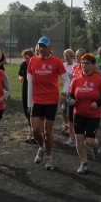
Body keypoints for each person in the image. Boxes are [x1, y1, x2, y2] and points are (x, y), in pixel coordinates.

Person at [27, 36, 70, 171]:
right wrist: (29, 103)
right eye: (40, 46)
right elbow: (30, 84)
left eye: (44, 46)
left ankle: (49, 159)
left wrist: (64, 93)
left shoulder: (56, 62)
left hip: (51, 100)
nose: (41, 48)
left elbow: (67, 80)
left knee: (48, 131)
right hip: (37, 100)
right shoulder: (33, 61)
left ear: (50, 47)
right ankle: (41, 148)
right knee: (35, 130)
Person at [68, 53, 101, 174]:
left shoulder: (98, 80)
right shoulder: (76, 79)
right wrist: (71, 100)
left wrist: (98, 103)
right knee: (79, 139)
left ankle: (96, 147)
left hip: (93, 114)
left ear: (93, 65)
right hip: (79, 113)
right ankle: (84, 163)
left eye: (87, 63)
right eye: (82, 63)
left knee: (89, 141)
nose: (84, 65)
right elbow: (71, 94)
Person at [18, 48, 36, 144]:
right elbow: (20, 74)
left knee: (33, 111)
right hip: (25, 90)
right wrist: (20, 77)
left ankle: (33, 133)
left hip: (35, 91)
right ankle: (32, 132)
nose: (26, 60)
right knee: (26, 111)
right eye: (25, 58)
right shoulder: (23, 64)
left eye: (28, 58)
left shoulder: (37, 65)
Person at [60, 49, 76, 140]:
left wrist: (72, 76)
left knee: (71, 110)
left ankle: (72, 128)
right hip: (65, 90)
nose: (66, 57)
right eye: (65, 56)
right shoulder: (63, 65)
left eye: (68, 55)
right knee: (63, 109)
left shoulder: (75, 66)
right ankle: (66, 124)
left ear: (71, 56)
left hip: (73, 91)